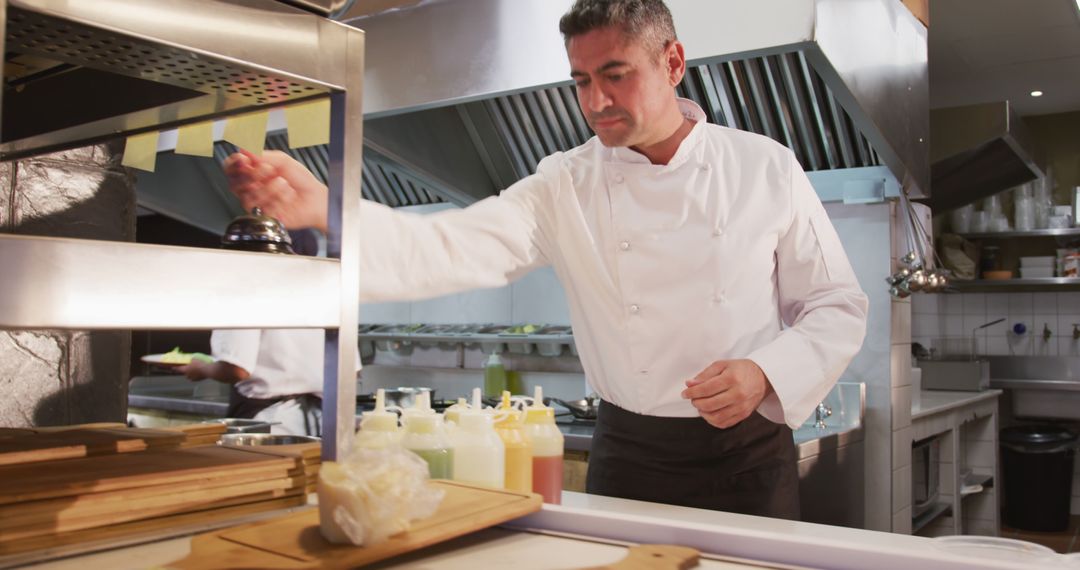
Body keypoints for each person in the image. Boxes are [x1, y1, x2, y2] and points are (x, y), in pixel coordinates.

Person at [225, 0, 868, 519]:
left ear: (672, 62)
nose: (595, 101)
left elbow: (836, 303)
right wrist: (328, 208)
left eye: (616, 74)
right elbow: (452, 246)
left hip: (746, 456)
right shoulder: (565, 183)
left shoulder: (764, 166)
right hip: (631, 455)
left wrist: (763, 371)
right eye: (582, 81)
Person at [179, 231, 361, 437]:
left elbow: (236, 369)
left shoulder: (247, 292)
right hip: (322, 421)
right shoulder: (326, 297)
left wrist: (200, 368)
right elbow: (350, 373)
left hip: (269, 424)